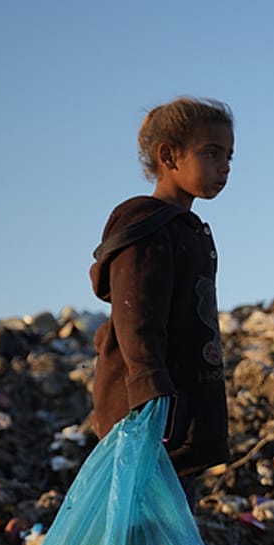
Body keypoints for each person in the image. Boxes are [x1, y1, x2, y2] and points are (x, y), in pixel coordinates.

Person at [89, 96, 234, 500]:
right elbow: (136, 319)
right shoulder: (147, 230)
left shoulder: (183, 230)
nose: (223, 167)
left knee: (169, 534)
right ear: (169, 156)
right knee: (147, 536)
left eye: (229, 157)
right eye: (211, 153)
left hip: (178, 415)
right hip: (152, 419)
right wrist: (149, 399)